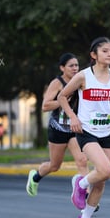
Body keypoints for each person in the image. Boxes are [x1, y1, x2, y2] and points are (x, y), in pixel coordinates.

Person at [58, 37, 110, 218]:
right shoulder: (83, 76)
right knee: (106, 170)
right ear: (94, 55)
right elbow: (62, 97)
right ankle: (81, 184)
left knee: (101, 180)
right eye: (105, 51)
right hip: (86, 131)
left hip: (107, 131)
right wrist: (73, 117)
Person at [26, 53, 88, 197]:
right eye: (71, 65)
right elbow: (45, 106)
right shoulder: (57, 83)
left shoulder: (80, 81)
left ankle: (86, 195)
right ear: (62, 68)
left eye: (77, 65)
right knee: (55, 166)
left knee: (82, 160)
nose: (75, 68)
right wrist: (64, 99)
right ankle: (35, 177)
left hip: (74, 128)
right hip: (57, 129)